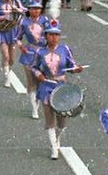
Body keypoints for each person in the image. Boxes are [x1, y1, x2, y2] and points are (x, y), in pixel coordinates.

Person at [32, 20, 82, 159]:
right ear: (46, 36)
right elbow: (34, 67)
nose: (54, 38)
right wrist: (39, 75)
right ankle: (54, 147)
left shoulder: (65, 49)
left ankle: (57, 137)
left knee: (62, 120)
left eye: (56, 35)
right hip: (46, 86)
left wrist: (77, 69)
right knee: (49, 118)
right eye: (51, 35)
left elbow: (71, 65)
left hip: (61, 87)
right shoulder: (40, 51)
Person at [16, 0, 49, 119]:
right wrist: (21, 46)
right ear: (28, 9)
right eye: (33, 8)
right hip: (29, 53)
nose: (35, 10)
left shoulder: (45, 21)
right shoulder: (24, 22)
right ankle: (34, 108)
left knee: (40, 81)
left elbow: (51, 35)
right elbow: (17, 37)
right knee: (31, 82)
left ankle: (37, 102)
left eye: (38, 8)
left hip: (43, 53)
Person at [0, 0, 24, 88]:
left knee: (12, 59)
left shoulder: (16, 2)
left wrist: (17, 9)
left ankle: (7, 68)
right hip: (3, 31)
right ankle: (7, 77)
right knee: (5, 55)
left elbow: (25, 11)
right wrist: (4, 17)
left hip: (14, 31)